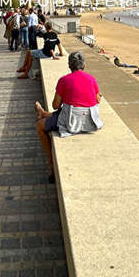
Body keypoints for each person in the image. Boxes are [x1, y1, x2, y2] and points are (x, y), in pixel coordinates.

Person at [33, 52, 103, 182]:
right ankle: (43, 113)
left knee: (39, 126)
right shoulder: (92, 79)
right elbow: (97, 100)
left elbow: (55, 105)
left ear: (69, 66)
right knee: (64, 110)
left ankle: (51, 162)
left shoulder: (64, 80)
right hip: (90, 121)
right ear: (84, 65)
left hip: (72, 121)